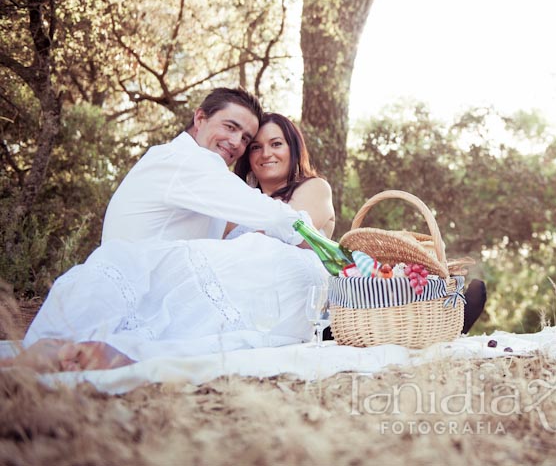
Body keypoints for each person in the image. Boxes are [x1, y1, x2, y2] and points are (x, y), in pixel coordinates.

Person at [6, 98, 329, 373]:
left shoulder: (304, 188)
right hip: (143, 277)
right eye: (237, 132)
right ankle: (78, 350)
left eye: (253, 140)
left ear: (293, 149)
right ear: (199, 117)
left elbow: (299, 234)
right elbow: (263, 229)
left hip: (165, 279)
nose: (243, 146)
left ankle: (87, 349)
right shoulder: (192, 165)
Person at [102, 88, 307, 245]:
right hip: (140, 288)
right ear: (200, 118)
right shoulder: (185, 160)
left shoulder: (184, 162)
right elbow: (273, 216)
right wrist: (324, 245)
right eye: (230, 127)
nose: (236, 142)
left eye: (245, 138)